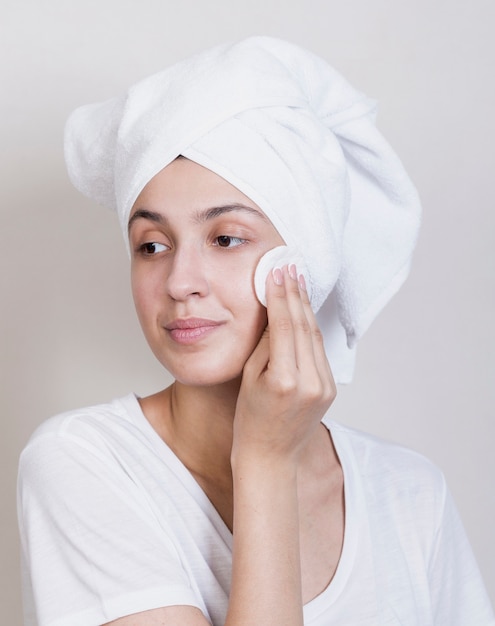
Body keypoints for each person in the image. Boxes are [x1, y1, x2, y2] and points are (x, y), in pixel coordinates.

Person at [17, 37, 494, 626]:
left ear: (306, 263)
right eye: (151, 245)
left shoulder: (411, 493)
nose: (179, 281)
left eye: (226, 238)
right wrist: (266, 463)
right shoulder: (85, 462)